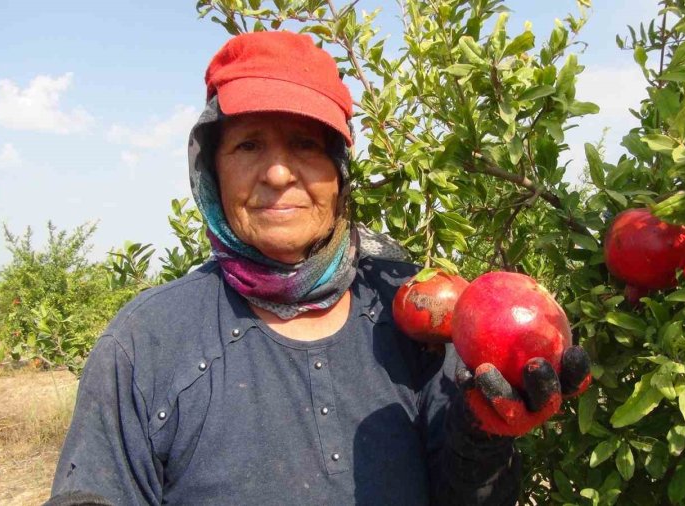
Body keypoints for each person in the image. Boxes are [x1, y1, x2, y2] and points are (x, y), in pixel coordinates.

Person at [48, 31, 590, 505]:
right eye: (248, 144)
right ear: (211, 171)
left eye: (305, 144)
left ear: (340, 171)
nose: (279, 172)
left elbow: (465, 496)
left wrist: (484, 441)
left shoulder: (415, 315)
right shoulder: (149, 342)